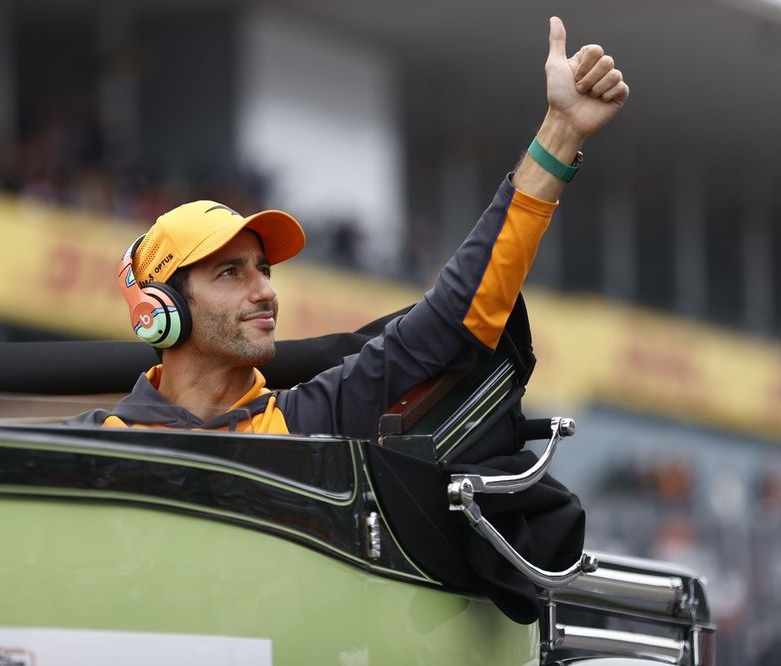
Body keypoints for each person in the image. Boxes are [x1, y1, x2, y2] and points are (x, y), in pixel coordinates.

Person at [68, 17, 629, 441]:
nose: (264, 289)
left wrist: (560, 132)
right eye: (229, 272)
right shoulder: (87, 445)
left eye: (263, 269)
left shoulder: (311, 417)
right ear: (159, 309)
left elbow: (455, 317)